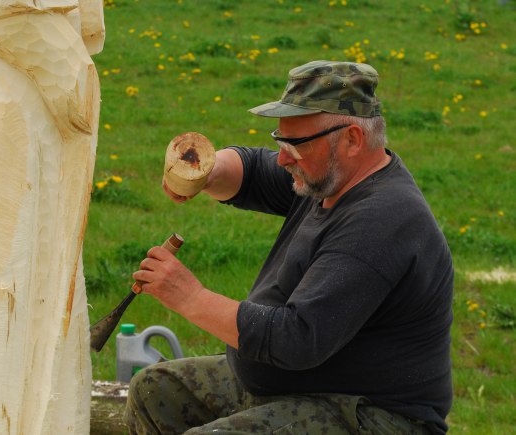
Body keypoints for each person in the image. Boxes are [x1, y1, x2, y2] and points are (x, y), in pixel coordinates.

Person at [125, 60, 454, 434]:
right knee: (155, 389)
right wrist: (208, 171)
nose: (283, 157)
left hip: (372, 413)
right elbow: (252, 171)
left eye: (295, 144)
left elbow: (296, 339)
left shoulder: (380, 221)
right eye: (280, 140)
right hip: (303, 384)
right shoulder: (331, 175)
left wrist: (190, 297)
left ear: (352, 140)